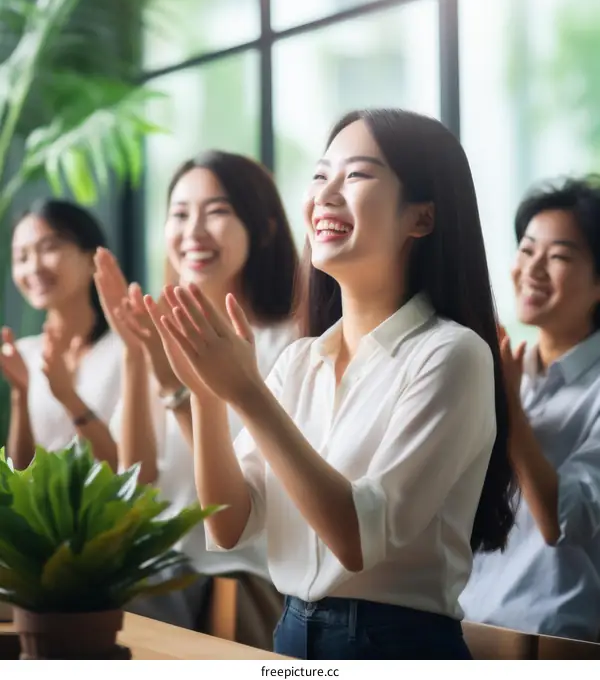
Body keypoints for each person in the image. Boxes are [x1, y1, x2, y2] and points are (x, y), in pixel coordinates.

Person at [143, 108, 516, 660]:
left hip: (397, 646)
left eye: (357, 175)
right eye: (320, 176)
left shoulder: (453, 355)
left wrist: (247, 394)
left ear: (422, 217)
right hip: (291, 635)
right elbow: (227, 525)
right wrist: (204, 391)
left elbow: (358, 537)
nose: (326, 195)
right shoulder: (299, 362)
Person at [94, 150, 298, 645]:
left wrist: (174, 386)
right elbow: (136, 480)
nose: (194, 231)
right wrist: (136, 354)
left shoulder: (289, 344)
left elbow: (241, 493)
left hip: (233, 569)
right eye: (181, 214)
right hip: (157, 564)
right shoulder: (161, 332)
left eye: (217, 211)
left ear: (264, 227)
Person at [461, 177, 600, 641]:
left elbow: (561, 522)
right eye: (526, 250)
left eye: (558, 256)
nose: (533, 269)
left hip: (554, 640)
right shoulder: (508, 367)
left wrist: (512, 415)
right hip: (467, 623)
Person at [0, 199, 122, 470]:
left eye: (49, 248)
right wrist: (20, 392)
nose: (33, 268)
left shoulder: (126, 351)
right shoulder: (27, 354)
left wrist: (67, 394)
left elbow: (132, 470)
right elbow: (21, 473)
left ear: (93, 259)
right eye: (22, 257)